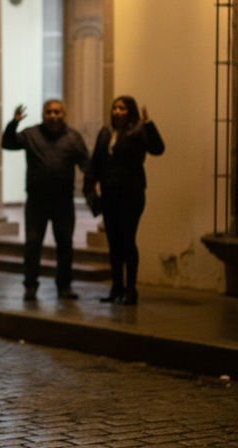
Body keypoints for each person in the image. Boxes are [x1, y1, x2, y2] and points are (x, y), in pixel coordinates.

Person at [2, 100, 90, 301]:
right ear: (43, 114)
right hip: (37, 201)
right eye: (49, 112)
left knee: (65, 244)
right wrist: (13, 124)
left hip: (63, 201)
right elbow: (7, 143)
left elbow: (86, 163)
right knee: (33, 244)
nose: (53, 116)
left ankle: (64, 286)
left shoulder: (73, 137)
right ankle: (30, 286)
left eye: (57, 112)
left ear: (64, 114)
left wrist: (94, 184)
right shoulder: (31, 134)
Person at [84, 96, 164, 305]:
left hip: (131, 193)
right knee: (113, 243)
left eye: (122, 108)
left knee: (127, 241)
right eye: (115, 108)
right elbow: (96, 162)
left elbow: (158, 149)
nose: (118, 112)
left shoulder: (138, 131)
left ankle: (131, 289)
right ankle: (116, 287)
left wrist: (148, 124)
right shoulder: (106, 133)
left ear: (130, 112)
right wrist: (90, 188)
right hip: (110, 194)